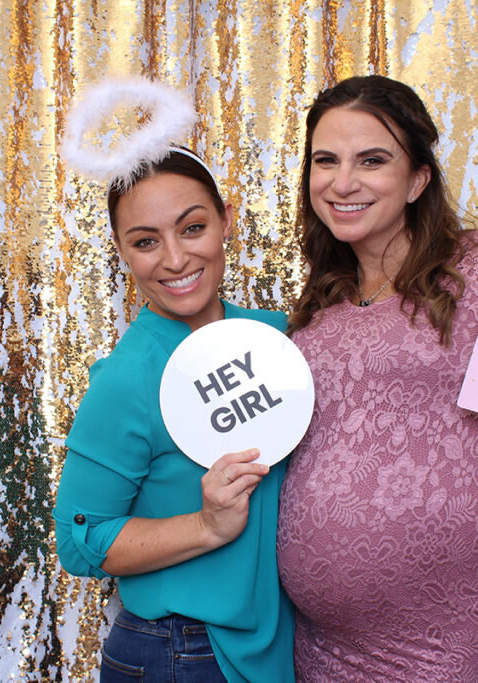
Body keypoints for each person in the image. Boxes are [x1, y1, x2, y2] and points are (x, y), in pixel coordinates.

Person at [276, 75, 478, 681]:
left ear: (418, 179)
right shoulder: (321, 301)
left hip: (437, 636)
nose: (342, 182)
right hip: (314, 641)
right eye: (326, 161)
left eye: (371, 160)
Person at [53, 146, 295, 682]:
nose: (175, 259)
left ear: (225, 220)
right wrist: (206, 527)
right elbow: (78, 540)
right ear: (122, 251)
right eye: (145, 241)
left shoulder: (278, 339)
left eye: (191, 228)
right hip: (180, 651)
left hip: (278, 645)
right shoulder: (128, 377)